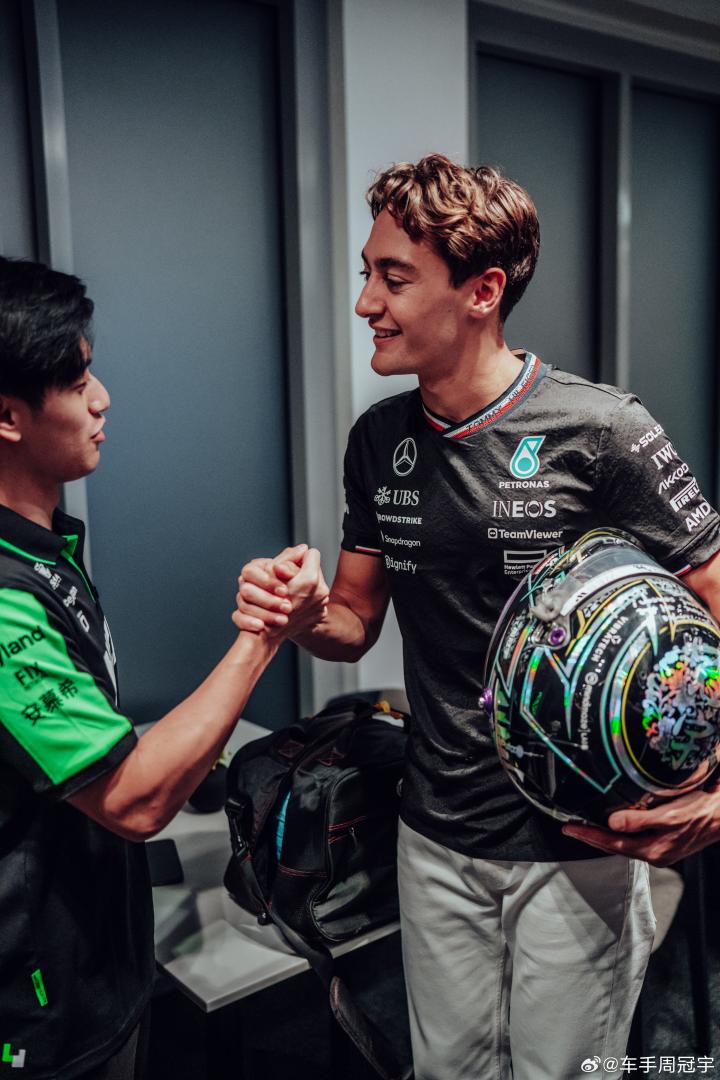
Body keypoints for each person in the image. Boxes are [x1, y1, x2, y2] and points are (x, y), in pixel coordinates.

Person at [233, 154, 720, 1080]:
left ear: (482, 292)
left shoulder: (603, 431)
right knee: (446, 1070)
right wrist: (299, 614)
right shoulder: (379, 440)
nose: (366, 303)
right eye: (368, 274)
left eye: (394, 278)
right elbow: (353, 620)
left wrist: (717, 792)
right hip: (434, 831)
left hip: (576, 849)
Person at [0, 255, 324, 1080]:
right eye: (78, 382)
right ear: (8, 416)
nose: (102, 399)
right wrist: (264, 633)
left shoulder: (39, 549)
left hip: (98, 963)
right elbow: (133, 798)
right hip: (39, 1012)